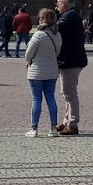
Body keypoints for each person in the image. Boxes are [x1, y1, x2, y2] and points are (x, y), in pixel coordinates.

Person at [23, 7, 62, 137]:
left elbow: (28, 54)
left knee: (36, 99)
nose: (39, 19)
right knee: (51, 98)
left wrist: (31, 59)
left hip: (37, 71)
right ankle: (53, 128)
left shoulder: (38, 35)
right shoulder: (57, 35)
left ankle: (34, 128)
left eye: (41, 17)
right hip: (51, 70)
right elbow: (57, 53)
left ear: (45, 19)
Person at [55, 0, 88, 133]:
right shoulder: (72, 15)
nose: (56, 7)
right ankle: (66, 120)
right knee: (66, 93)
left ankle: (73, 124)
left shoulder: (69, 16)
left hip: (71, 60)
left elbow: (57, 28)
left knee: (70, 93)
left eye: (58, 4)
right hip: (71, 59)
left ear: (63, 3)